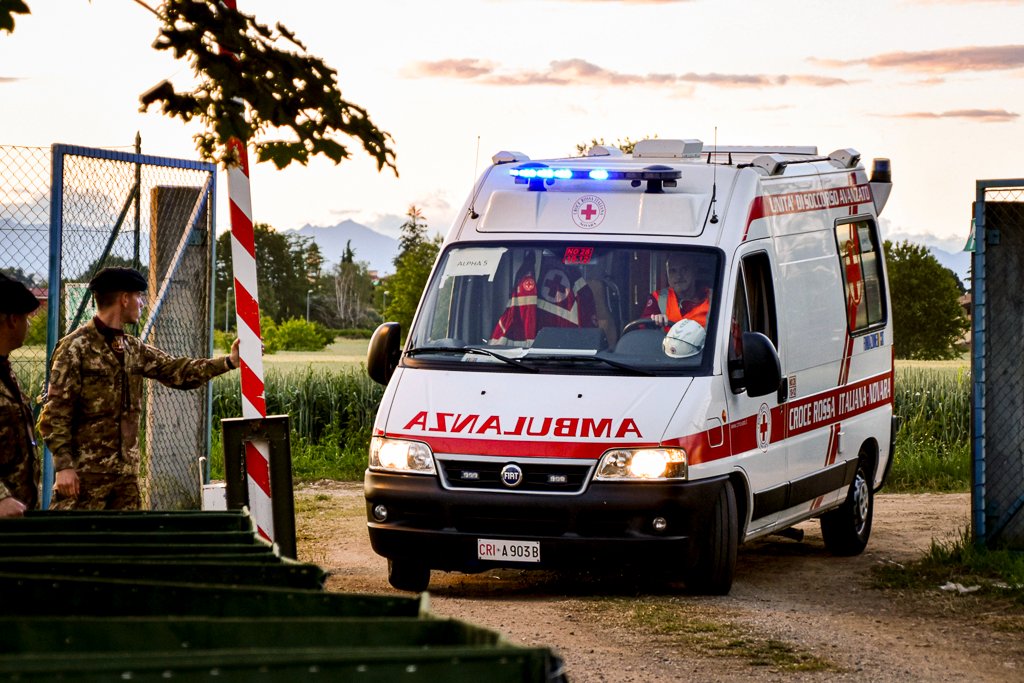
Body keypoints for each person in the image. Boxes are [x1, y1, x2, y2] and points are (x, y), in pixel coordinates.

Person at [38, 266, 241, 511]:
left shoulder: (132, 348)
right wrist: (64, 467)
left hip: (125, 476)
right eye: (138, 296)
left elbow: (177, 371)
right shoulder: (75, 348)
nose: (142, 303)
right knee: (75, 545)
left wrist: (228, 362)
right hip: (85, 475)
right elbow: (54, 414)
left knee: (127, 545)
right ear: (124, 299)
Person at [0, 274, 42, 517]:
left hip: (17, 515)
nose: (30, 325)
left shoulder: (5, 371)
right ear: (13, 320)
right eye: (27, 319)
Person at [641, 252, 710, 330]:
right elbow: (643, 328)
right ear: (667, 275)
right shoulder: (658, 297)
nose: (678, 276)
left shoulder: (713, 298)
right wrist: (654, 321)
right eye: (673, 271)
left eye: (684, 269)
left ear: (694, 271)